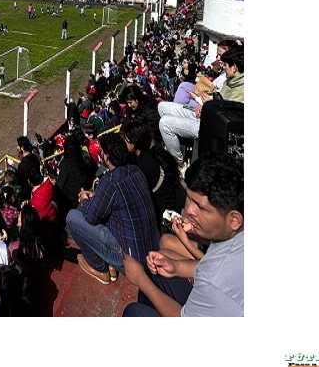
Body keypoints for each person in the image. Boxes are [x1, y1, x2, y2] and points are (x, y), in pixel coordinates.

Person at [122, 154, 243, 317]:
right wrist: (176, 268)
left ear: (234, 220)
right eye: (189, 198)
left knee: (134, 311)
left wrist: (140, 279)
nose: (188, 211)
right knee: (160, 267)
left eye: (200, 207)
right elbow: (209, 265)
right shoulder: (232, 239)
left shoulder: (213, 280)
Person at [65, 133, 160, 285]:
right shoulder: (135, 170)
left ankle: (99, 268)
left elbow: (91, 217)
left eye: (101, 152)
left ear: (107, 157)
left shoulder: (110, 182)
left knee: (73, 217)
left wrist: (84, 199)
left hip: (132, 262)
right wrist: (95, 196)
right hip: (150, 248)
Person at [158, 46, 244, 168]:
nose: (223, 68)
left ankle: (178, 162)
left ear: (234, 67)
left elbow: (226, 120)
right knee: (162, 106)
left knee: (164, 123)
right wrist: (206, 104)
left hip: (208, 125)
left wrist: (207, 108)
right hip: (203, 113)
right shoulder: (230, 81)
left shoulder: (241, 91)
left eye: (225, 65)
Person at [121, 118, 181, 217]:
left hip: (162, 211)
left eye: (126, 140)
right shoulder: (150, 154)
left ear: (135, 142)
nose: (123, 142)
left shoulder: (144, 165)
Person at [14, 136, 40, 200]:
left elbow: (19, 184)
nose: (17, 147)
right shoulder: (35, 157)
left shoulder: (22, 165)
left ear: (22, 148)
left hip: (33, 193)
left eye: (18, 145)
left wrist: (17, 195)